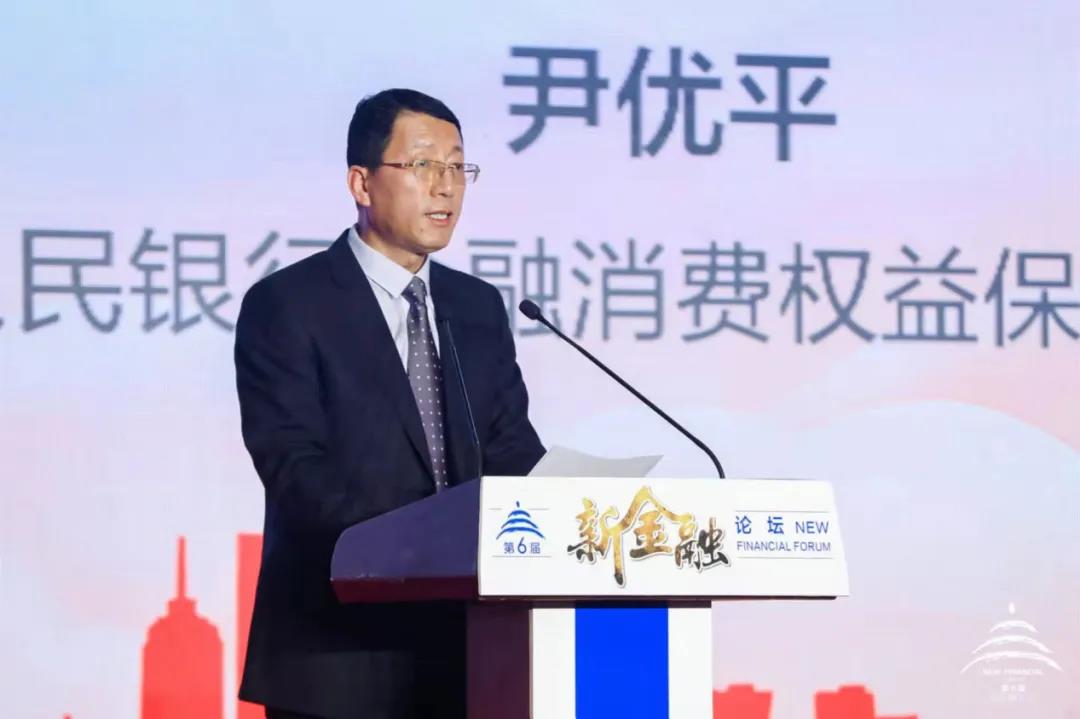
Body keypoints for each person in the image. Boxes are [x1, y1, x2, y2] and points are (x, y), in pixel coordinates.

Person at [233, 88, 545, 719]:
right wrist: (429, 538)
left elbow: (512, 451)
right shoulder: (289, 304)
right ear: (362, 183)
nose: (445, 186)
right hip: (339, 663)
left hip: (474, 658)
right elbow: (295, 469)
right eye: (423, 164)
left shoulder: (477, 308)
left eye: (457, 167)